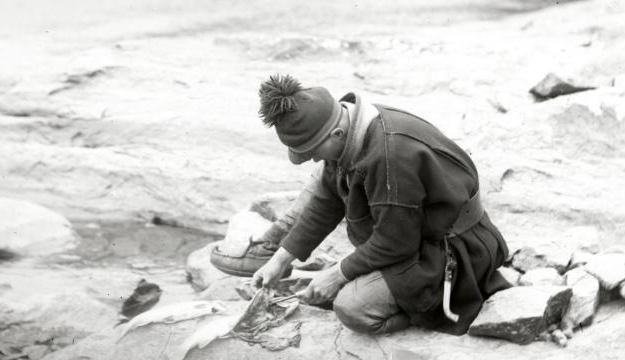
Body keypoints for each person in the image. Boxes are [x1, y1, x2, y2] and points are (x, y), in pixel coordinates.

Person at [211, 74, 510, 335]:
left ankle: (424, 313)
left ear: (337, 133)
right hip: (414, 239)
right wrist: (280, 259)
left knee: (351, 308)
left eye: (312, 152)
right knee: (335, 287)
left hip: (453, 252)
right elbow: (325, 204)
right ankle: (386, 287)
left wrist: (338, 273)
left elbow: (395, 243)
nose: (313, 160)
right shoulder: (350, 127)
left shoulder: (391, 154)